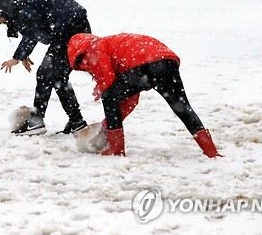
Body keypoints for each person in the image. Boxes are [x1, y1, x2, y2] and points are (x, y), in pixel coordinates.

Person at [67, 33, 222, 158]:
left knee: (109, 97)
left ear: (80, 51)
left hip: (144, 64)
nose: (85, 66)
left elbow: (109, 87)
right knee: (182, 107)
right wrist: (110, 121)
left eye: (81, 62)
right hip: (167, 61)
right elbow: (131, 99)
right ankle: (210, 150)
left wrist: (109, 123)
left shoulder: (94, 48)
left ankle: (116, 150)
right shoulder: (112, 46)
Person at [0, 0, 91, 136]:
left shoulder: (23, 8)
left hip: (70, 31)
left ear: (4, 9)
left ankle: (36, 122)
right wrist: (25, 54)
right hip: (72, 30)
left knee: (45, 74)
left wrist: (17, 57)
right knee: (58, 78)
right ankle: (77, 122)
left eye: (1, 19)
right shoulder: (23, 6)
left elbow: (32, 34)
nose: (4, 22)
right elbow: (36, 29)